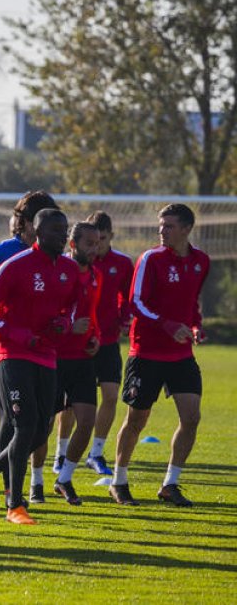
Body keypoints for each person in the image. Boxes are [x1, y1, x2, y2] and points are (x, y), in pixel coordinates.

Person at [0, 208, 80, 525]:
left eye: (64, 229)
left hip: (46, 354)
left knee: (40, 430)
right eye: (55, 230)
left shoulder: (69, 270)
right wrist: (16, 333)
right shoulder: (15, 265)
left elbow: (73, 305)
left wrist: (64, 321)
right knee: (24, 424)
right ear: (37, 232)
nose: (62, 235)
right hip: (12, 354)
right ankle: (14, 506)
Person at [110, 204, 209, 508]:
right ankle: (119, 480)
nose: (161, 230)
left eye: (168, 225)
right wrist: (167, 325)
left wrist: (195, 327)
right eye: (160, 225)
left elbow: (192, 304)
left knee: (191, 417)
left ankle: (170, 484)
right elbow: (135, 302)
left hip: (181, 355)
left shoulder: (201, 262)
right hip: (146, 352)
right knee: (137, 419)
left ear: (186, 229)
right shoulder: (150, 259)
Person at [48, 222, 102, 506]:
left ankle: (64, 478)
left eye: (98, 243)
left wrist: (95, 337)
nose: (95, 249)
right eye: (89, 244)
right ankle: (33, 481)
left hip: (82, 359)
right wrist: (69, 326)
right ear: (73, 245)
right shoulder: (59, 273)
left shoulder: (96, 275)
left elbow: (91, 315)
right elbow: (47, 315)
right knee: (42, 426)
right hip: (53, 357)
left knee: (87, 421)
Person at [83, 211, 133, 475]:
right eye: (93, 239)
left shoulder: (123, 264)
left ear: (111, 236)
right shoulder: (79, 263)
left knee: (111, 396)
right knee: (71, 404)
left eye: (102, 238)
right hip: (80, 342)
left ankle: (96, 452)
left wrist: (125, 318)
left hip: (109, 341)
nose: (97, 244)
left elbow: (128, 297)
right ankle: (61, 451)